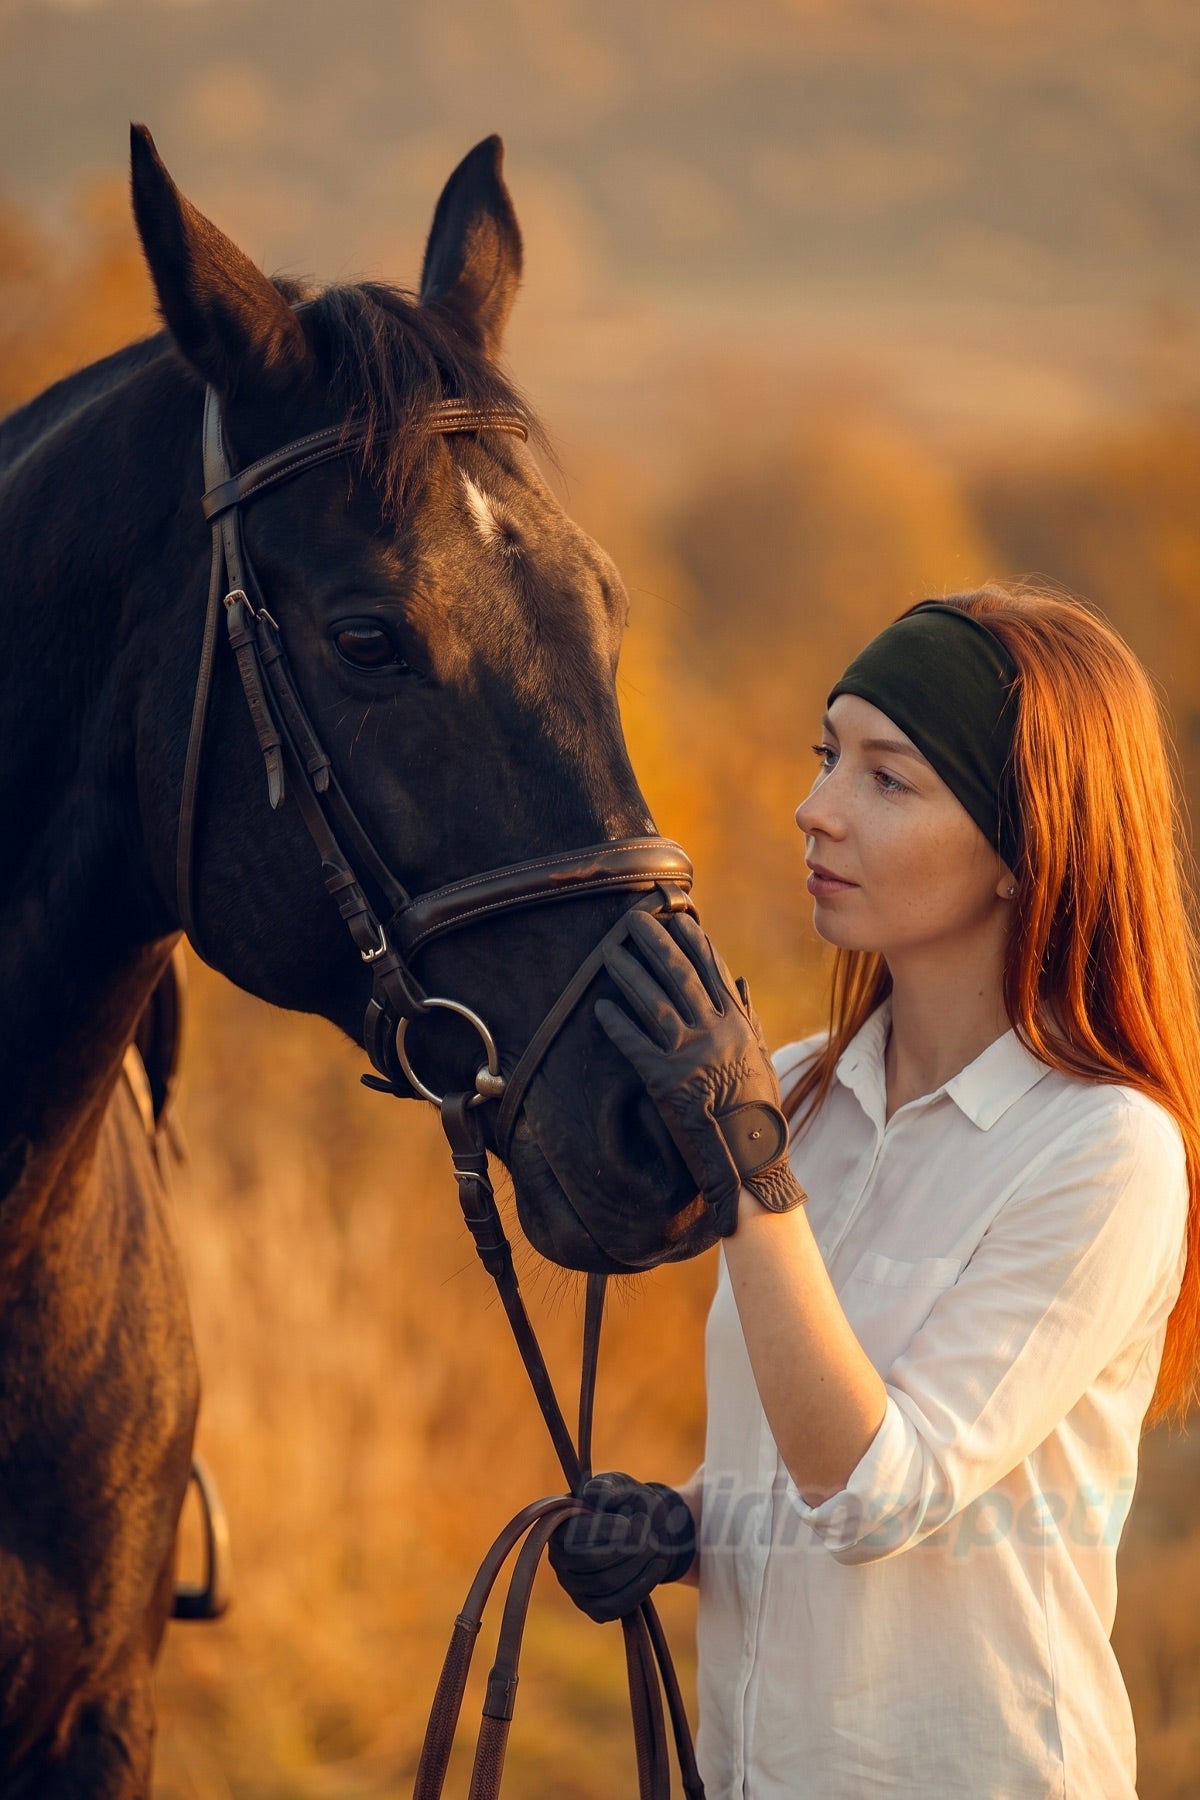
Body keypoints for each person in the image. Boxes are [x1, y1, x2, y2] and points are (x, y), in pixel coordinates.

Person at [549, 587, 1200, 1798]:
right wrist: (688, 1523)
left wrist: (747, 1162)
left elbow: (874, 1497)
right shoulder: (798, 1093)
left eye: (888, 778)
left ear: (1026, 850)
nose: (817, 809)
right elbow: (803, 1446)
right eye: (827, 755)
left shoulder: (1103, 1150)